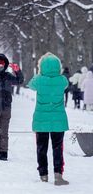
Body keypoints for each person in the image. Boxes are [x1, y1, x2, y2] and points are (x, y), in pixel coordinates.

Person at [28, 52, 69, 186]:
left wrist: (40, 73)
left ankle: (43, 175)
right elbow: (66, 85)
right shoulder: (62, 80)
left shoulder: (39, 80)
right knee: (58, 148)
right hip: (58, 119)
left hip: (41, 120)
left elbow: (30, 84)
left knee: (41, 148)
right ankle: (58, 175)